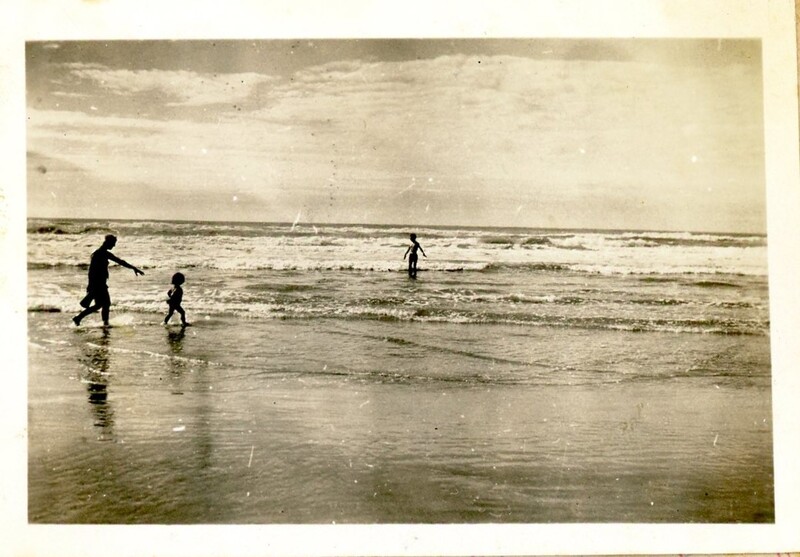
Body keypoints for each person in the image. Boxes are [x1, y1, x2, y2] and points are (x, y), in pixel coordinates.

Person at [72, 234, 144, 326]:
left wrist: (133, 268)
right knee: (106, 304)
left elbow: (119, 261)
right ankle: (104, 323)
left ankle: (79, 318)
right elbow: (93, 271)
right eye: (113, 243)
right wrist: (134, 268)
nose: (114, 245)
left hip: (99, 283)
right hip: (98, 284)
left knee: (100, 305)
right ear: (108, 242)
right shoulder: (101, 253)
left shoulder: (100, 253)